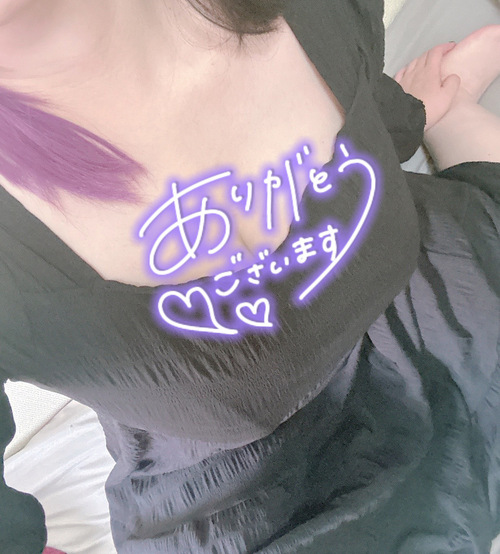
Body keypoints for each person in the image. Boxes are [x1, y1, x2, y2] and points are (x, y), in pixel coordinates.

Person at [0, 1, 498, 553]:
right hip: (259, 498)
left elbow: (362, 94)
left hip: (432, 298)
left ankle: (444, 113)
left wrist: (402, 114)